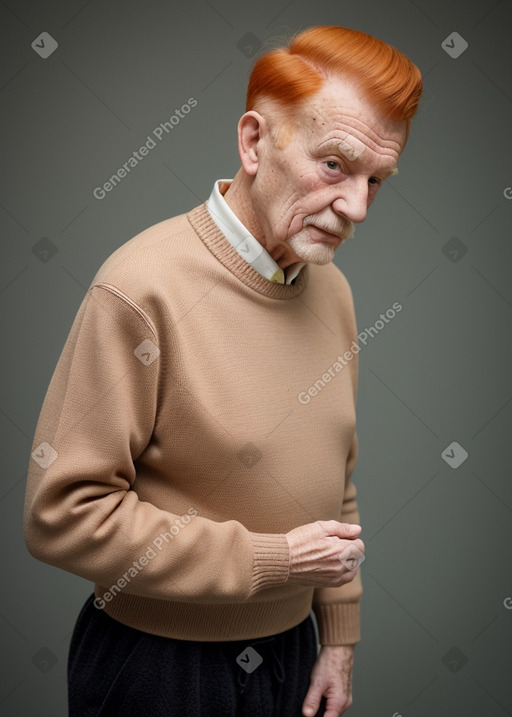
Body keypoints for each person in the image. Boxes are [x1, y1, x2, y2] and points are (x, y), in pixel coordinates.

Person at [24, 24, 422, 717]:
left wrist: (339, 636)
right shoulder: (140, 287)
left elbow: (335, 482)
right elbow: (62, 514)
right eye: (335, 165)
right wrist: (270, 561)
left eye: (375, 181)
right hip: (156, 667)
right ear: (253, 142)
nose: (357, 207)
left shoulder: (334, 291)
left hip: (292, 658)